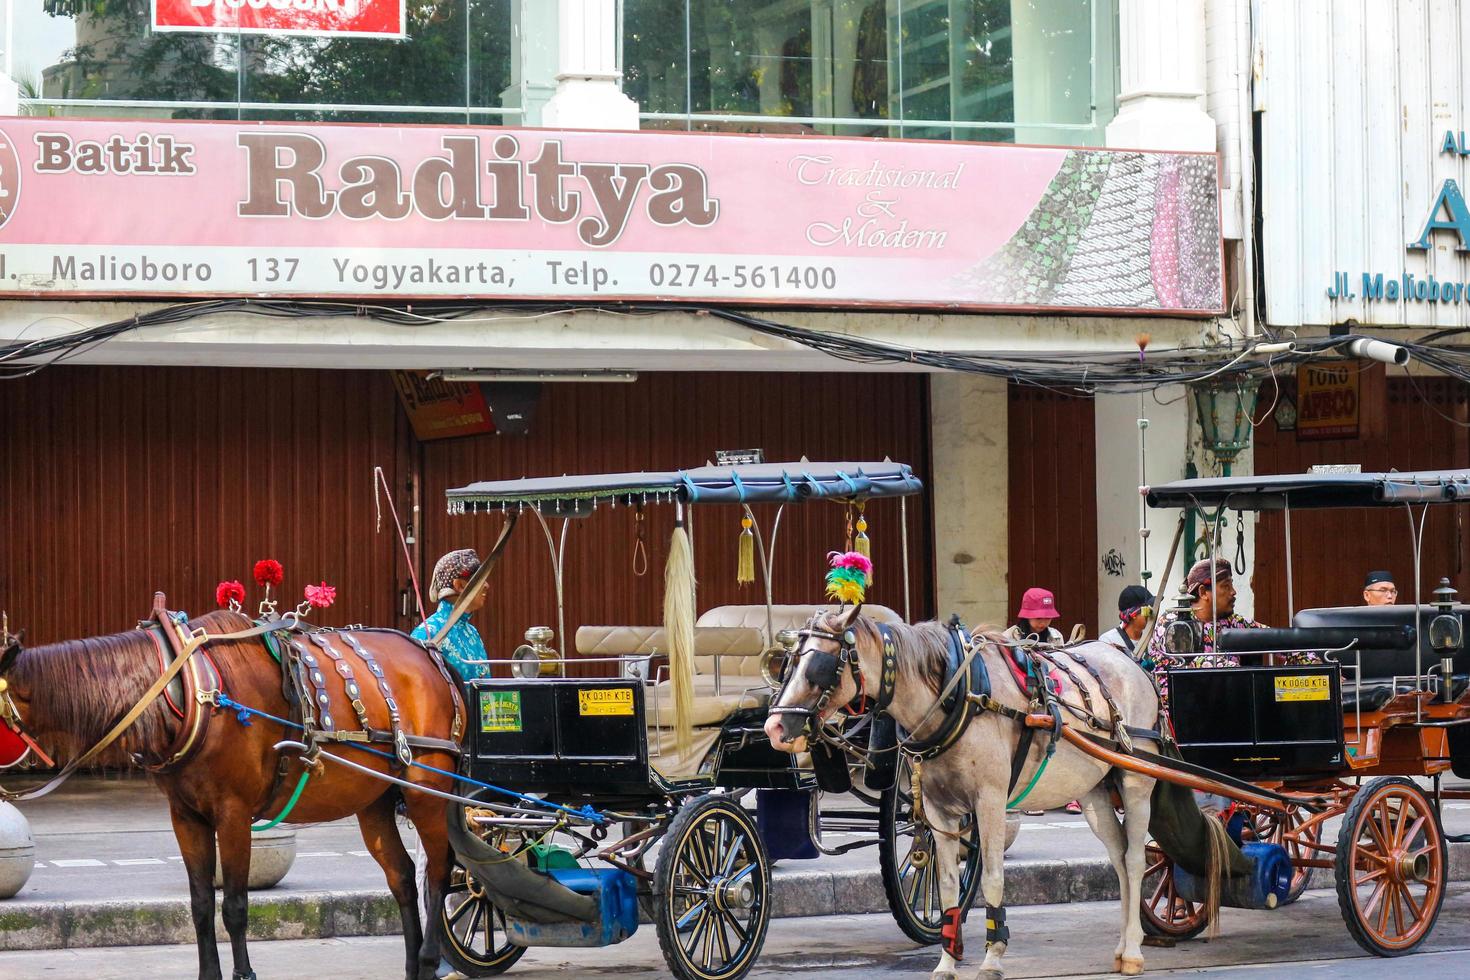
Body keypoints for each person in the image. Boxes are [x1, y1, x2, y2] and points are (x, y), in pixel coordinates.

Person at [411, 547, 492, 681]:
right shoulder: (427, 633)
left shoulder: (472, 632)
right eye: (479, 579)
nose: (486, 585)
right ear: (459, 585)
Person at [1099, 584, 1155, 666]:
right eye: (1148, 611)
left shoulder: (1153, 641)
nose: (1151, 615)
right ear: (1133, 614)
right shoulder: (1107, 641)